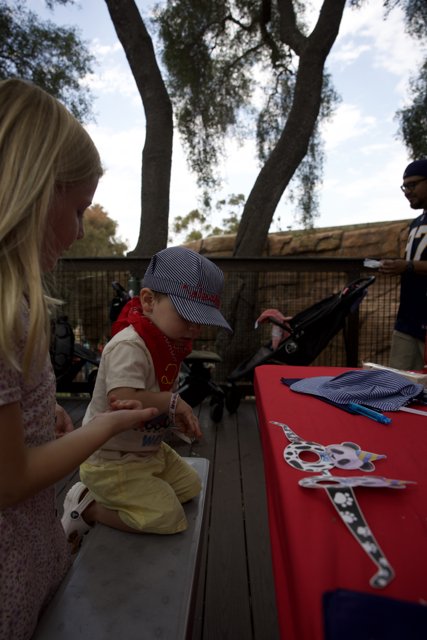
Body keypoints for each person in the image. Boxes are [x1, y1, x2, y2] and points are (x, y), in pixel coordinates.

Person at [0, 78, 159, 640]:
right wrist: (107, 424)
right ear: (35, 192)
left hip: (31, 551)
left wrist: (44, 425)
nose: (77, 231)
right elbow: (10, 480)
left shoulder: (18, 303)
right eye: (79, 208)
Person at [61, 247, 232, 540]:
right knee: (169, 519)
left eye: (201, 320)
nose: (194, 328)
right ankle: (87, 506)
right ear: (149, 300)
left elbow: (159, 397)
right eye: (186, 315)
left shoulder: (168, 343)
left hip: (145, 451)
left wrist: (172, 418)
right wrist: (172, 403)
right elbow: (124, 397)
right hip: (112, 459)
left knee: (190, 488)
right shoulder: (130, 345)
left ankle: (129, 493)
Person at [379, 159, 427, 370]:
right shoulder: (416, 223)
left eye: (413, 184)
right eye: (404, 187)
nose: (407, 191)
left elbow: (412, 265)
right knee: (398, 385)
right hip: (407, 320)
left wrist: (407, 267)